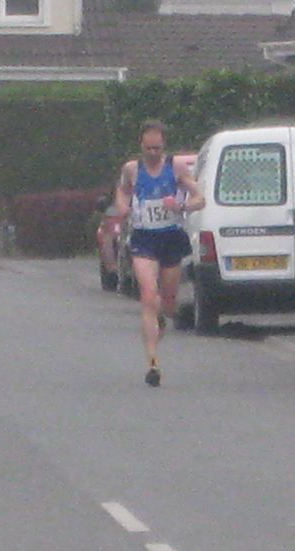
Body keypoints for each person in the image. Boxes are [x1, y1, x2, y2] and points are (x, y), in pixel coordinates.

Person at [114, 119, 205, 387]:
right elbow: (121, 192)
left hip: (170, 239)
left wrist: (181, 206)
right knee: (148, 296)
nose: (153, 153)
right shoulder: (132, 169)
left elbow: (200, 198)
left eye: (158, 148)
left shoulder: (175, 167)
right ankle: (153, 362)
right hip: (144, 239)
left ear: (163, 145)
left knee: (167, 302)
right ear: (141, 145)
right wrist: (123, 207)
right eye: (149, 148)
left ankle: (162, 319)